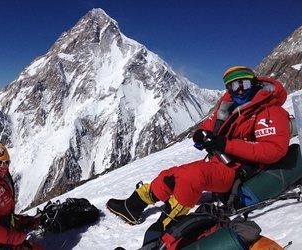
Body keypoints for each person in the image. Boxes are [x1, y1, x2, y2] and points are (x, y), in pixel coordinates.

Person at [106, 66, 291, 246]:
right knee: (172, 174)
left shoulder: (270, 111)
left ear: (255, 84)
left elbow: (274, 150)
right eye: (234, 86)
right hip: (221, 163)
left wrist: (226, 144)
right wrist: (200, 135)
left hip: (241, 170)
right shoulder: (228, 107)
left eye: (245, 84)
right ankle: (134, 205)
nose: (240, 90)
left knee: (192, 178)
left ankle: (166, 229)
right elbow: (207, 126)